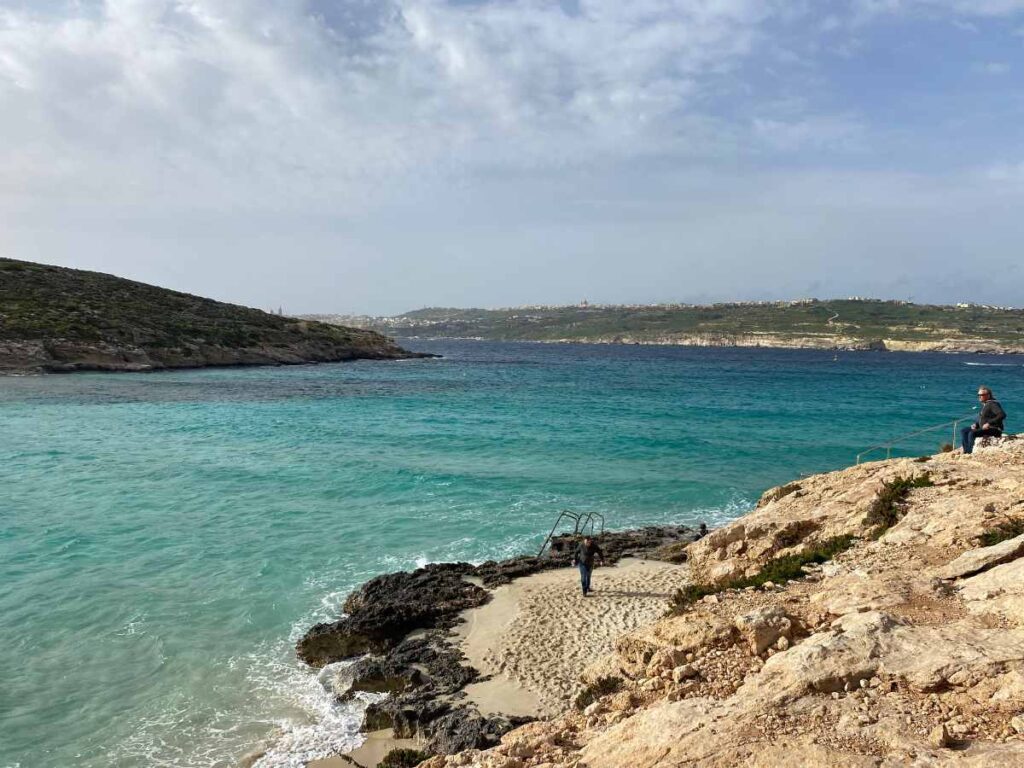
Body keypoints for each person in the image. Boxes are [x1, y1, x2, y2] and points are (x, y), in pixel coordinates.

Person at [961, 386, 1006, 455]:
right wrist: (976, 424)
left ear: (988, 395)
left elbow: (1002, 415)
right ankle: (966, 451)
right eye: (978, 395)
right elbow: (986, 418)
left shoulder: (992, 404)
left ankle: (969, 453)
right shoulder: (986, 404)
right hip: (984, 427)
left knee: (972, 433)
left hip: (994, 429)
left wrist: (989, 423)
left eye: (981, 395)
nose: (979, 396)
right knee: (964, 430)